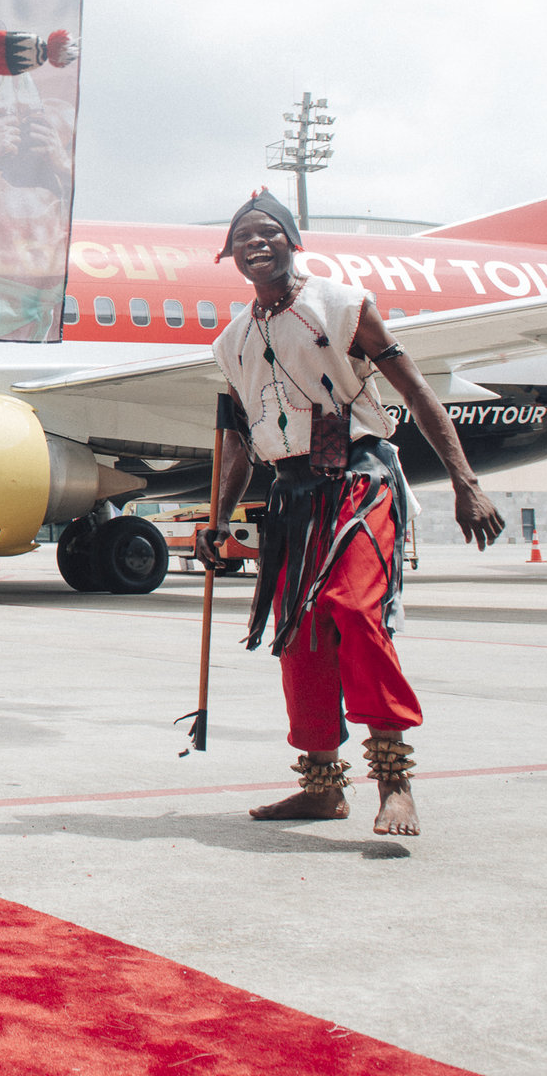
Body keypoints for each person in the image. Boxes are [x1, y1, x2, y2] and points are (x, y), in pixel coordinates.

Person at [193, 191, 504, 838]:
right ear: (229, 254)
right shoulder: (231, 342)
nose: (256, 242)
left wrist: (466, 482)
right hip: (291, 498)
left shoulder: (342, 305)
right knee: (300, 637)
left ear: (292, 241)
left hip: (358, 481)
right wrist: (218, 520)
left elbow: (415, 390)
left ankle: (395, 785)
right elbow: (241, 442)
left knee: (356, 612)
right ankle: (322, 788)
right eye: (243, 236)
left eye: (268, 232)